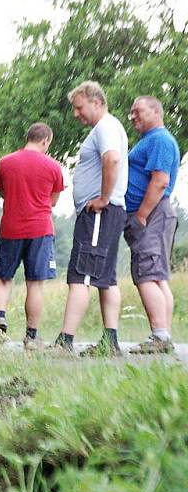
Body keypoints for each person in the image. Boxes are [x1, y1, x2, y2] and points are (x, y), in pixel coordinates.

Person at [54, 81, 128, 355]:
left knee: (81, 276)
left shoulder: (106, 126)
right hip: (106, 212)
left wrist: (103, 198)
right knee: (105, 278)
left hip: (100, 211)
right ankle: (111, 341)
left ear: (96, 102)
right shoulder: (107, 127)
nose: (76, 114)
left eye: (79, 107)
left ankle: (65, 341)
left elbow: (112, 160)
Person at [0, 122, 64, 350]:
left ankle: (0, 318)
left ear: (28, 137)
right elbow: (53, 201)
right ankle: (32, 336)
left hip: (11, 228)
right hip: (40, 231)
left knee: (3, 279)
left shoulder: (5, 163)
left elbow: (3, 192)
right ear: (45, 141)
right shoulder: (53, 166)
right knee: (35, 284)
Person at [124, 95, 181, 354]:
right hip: (154, 213)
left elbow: (159, 180)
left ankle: (159, 336)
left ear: (156, 112)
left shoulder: (159, 139)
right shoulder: (151, 140)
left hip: (152, 213)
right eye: (132, 113)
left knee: (146, 273)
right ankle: (163, 335)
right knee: (157, 275)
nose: (133, 116)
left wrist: (141, 215)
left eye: (138, 111)